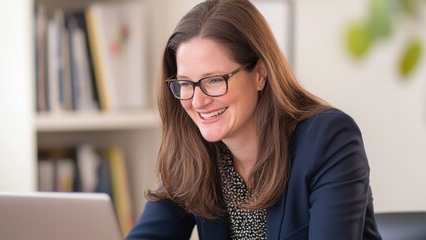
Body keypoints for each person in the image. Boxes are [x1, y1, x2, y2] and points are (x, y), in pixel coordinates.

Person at [127, 0, 382, 239]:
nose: (197, 101)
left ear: (260, 73)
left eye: (215, 80)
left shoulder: (328, 138)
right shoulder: (195, 153)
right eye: (185, 84)